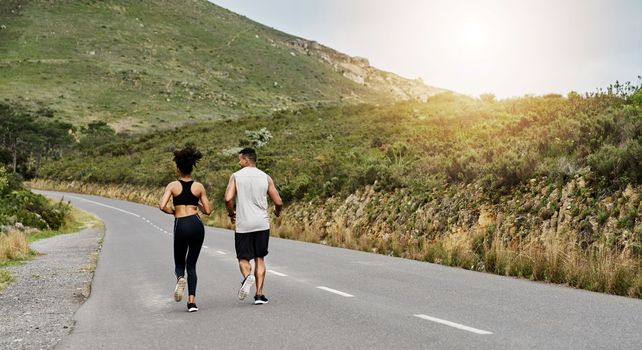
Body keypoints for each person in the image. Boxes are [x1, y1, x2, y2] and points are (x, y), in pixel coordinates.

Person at [224, 147, 282, 305]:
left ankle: (247, 277)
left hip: (244, 224)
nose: (239, 162)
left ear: (246, 159)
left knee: (243, 258)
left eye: (240, 159)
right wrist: (277, 212)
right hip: (262, 223)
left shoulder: (236, 176)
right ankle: (259, 295)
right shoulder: (265, 177)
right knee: (260, 258)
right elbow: (278, 201)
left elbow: (228, 198)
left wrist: (231, 214)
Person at [159, 146, 212, 312]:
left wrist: (174, 212)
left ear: (178, 168)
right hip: (196, 224)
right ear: (191, 168)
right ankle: (192, 302)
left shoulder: (173, 185)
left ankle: (180, 278)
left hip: (181, 223)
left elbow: (162, 205)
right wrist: (197, 205)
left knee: (179, 262)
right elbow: (208, 210)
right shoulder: (199, 187)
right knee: (192, 265)